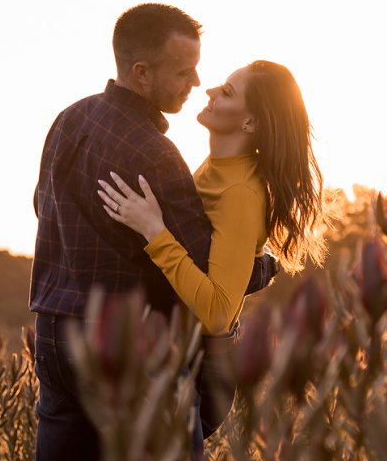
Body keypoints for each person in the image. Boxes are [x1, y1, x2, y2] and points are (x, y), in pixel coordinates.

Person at [29, 3, 277, 461]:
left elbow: (40, 206)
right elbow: (204, 269)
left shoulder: (68, 120)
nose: (196, 84)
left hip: (53, 338)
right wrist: (262, 269)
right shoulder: (157, 155)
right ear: (142, 73)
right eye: (184, 72)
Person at [97, 59, 328, 437]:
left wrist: (154, 231)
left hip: (205, 368)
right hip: (182, 351)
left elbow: (219, 313)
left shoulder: (239, 191)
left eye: (227, 92)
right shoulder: (219, 166)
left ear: (250, 123)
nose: (209, 91)